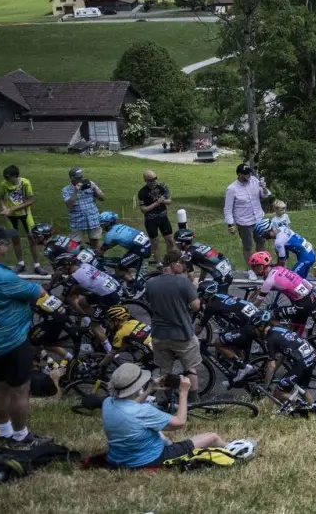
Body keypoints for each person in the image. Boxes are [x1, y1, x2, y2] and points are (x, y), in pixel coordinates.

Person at [0, 226, 51, 448]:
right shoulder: (1, 277)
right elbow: (40, 293)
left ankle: (4, 432)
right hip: (11, 340)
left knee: (0, 385)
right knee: (20, 388)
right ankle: (21, 437)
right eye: (5, 243)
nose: (7, 246)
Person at [102, 363, 224, 468]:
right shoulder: (144, 411)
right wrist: (183, 392)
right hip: (148, 460)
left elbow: (130, 406)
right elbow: (180, 422)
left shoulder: (107, 402)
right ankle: (235, 448)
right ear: (137, 386)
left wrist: (149, 389)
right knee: (212, 437)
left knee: (157, 430)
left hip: (117, 458)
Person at [143, 257, 203, 393]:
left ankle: (164, 400)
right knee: (190, 369)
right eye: (181, 263)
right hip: (182, 334)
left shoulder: (150, 283)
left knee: (164, 370)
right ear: (172, 264)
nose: (184, 266)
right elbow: (195, 307)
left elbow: (148, 301)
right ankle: (193, 400)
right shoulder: (183, 282)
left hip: (159, 335)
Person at [223, 163, 270, 275]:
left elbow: (264, 195)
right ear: (239, 174)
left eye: (249, 172)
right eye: (246, 173)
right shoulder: (232, 189)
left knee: (261, 243)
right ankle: (251, 270)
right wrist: (230, 224)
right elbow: (228, 209)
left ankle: (262, 267)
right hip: (244, 222)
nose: (249, 174)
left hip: (258, 218)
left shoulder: (254, 180)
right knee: (248, 246)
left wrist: (264, 188)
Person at [0, 165, 44, 274]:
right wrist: (4, 208)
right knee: (15, 239)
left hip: (25, 214)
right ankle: (20, 263)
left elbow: (30, 201)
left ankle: (37, 265)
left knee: (32, 238)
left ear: (15, 176)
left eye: (8, 177)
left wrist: (12, 209)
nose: (5, 179)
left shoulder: (25, 183)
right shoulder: (4, 184)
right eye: (5, 177)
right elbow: (1, 198)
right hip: (10, 216)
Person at [63, 166, 106, 251]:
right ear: (72, 178)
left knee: (95, 244)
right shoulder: (66, 190)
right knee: (74, 246)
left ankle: (97, 261)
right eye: (78, 178)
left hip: (93, 218)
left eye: (81, 177)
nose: (80, 179)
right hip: (77, 221)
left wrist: (94, 188)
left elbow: (103, 198)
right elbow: (69, 205)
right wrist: (75, 191)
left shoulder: (90, 184)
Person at [135, 170, 173, 263]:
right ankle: (158, 263)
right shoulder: (142, 192)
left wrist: (163, 201)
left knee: (170, 240)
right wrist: (156, 203)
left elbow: (169, 201)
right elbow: (143, 210)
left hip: (163, 217)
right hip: (151, 220)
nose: (154, 181)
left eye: (155, 178)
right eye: (151, 180)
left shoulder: (161, 187)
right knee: (155, 243)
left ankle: (169, 260)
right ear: (146, 180)